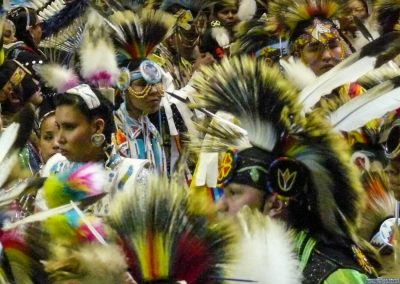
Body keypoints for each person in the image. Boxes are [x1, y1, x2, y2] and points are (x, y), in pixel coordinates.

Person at [191, 55, 379, 283]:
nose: (221, 205)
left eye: (234, 193)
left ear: (276, 204)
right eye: (225, 192)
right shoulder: (242, 257)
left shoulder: (333, 273)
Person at [40, 84, 150, 216]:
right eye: (58, 127)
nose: (59, 139)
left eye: (69, 127)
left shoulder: (133, 176)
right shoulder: (54, 168)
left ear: (97, 127)